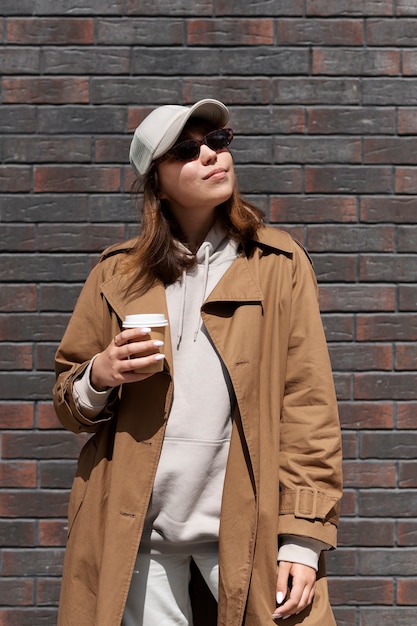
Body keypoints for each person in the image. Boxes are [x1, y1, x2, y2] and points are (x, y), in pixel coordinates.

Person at [53, 98, 343, 626]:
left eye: (219, 141)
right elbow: (69, 402)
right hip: (138, 535)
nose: (212, 155)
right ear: (158, 183)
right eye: (189, 150)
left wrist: (302, 540)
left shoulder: (278, 264)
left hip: (247, 530)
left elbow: (309, 408)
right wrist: (101, 375)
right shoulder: (117, 275)